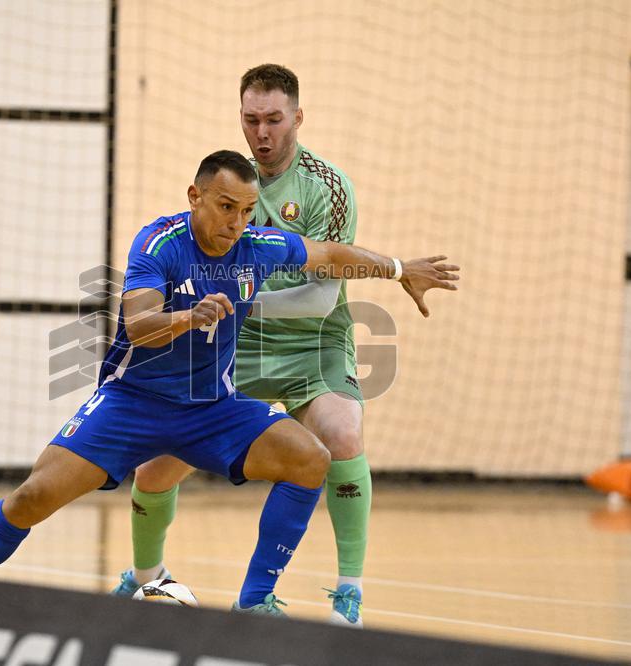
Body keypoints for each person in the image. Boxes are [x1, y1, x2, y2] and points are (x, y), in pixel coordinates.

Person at [0, 150, 459, 616]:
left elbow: (329, 254)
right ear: (195, 198)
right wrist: (189, 316)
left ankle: (254, 604)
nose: (236, 222)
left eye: (246, 210)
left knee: (311, 459)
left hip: (210, 409)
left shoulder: (257, 247)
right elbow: (139, 328)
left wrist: (397, 269)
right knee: (32, 497)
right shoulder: (159, 243)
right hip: (132, 404)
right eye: (225, 207)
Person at [113, 65, 447, 627]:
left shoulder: (327, 187)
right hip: (231, 347)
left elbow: (321, 296)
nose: (261, 133)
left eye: (273, 119)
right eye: (251, 120)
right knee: (155, 468)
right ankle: (147, 578)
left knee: (342, 434)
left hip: (313, 344)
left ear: (298, 117)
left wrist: (229, 300)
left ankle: (348, 597)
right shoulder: (228, 186)